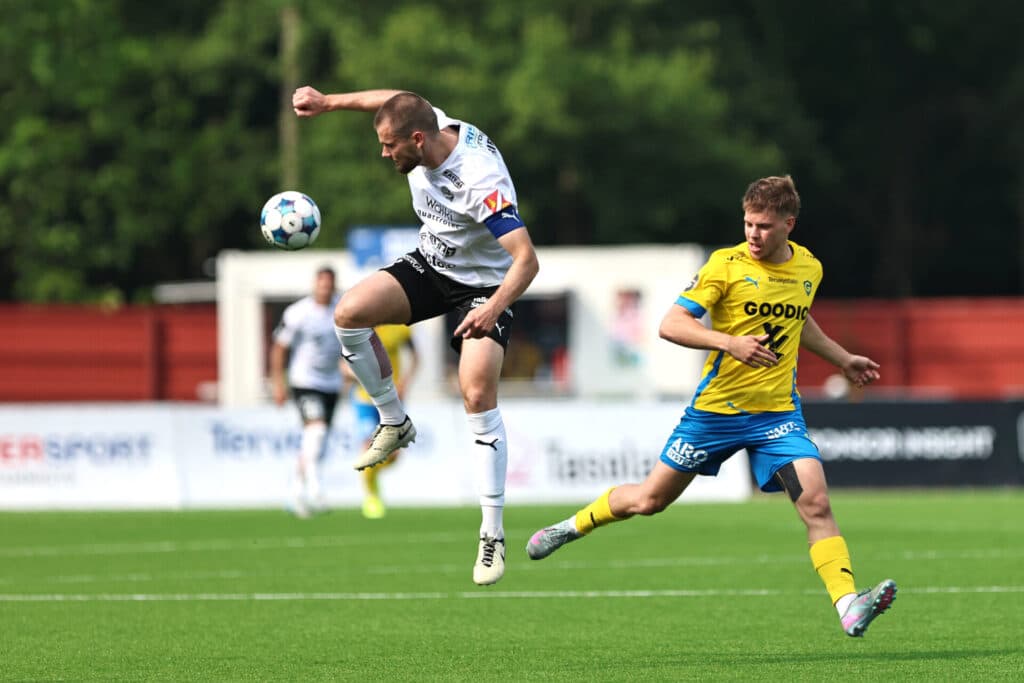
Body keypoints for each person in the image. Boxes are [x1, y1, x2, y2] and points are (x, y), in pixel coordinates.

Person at [526, 176, 897, 637]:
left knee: (816, 503)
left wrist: (842, 358)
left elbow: (799, 319)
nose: (753, 234)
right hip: (715, 414)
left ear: (789, 224)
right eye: (748, 223)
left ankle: (847, 605)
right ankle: (571, 526)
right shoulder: (725, 265)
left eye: (764, 226)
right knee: (648, 500)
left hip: (778, 416)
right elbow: (671, 324)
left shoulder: (809, 268)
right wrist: (730, 343)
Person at [293, 86, 540, 585]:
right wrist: (328, 103)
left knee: (476, 393)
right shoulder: (425, 119)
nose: (385, 154)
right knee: (349, 313)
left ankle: (492, 533)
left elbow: (527, 261)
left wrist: (492, 309)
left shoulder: (479, 181)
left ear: (419, 139)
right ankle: (394, 421)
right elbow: (395, 96)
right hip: (433, 265)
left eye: (390, 145)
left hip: (485, 286)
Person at [269, 266, 345, 518]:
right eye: (321, 283)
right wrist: (278, 384)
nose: (325, 288)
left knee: (315, 442)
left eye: (329, 284)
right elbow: (279, 347)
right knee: (317, 430)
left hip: (331, 383)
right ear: (315, 284)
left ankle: (295, 493)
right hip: (304, 381)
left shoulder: (342, 309)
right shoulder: (298, 312)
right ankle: (315, 488)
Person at [346, 324, 419, 520]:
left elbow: (415, 356)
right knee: (369, 446)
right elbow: (343, 364)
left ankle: (372, 475)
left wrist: (405, 382)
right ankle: (371, 496)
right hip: (365, 399)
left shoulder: (399, 327)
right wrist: (357, 374)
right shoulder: (358, 326)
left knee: (394, 454)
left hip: (392, 398)